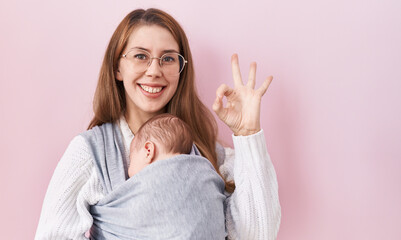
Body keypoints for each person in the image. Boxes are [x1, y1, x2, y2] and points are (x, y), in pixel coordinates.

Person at [35, 8, 281, 240]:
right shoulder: (90, 154)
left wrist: (248, 134)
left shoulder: (208, 153)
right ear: (117, 68)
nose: (154, 70)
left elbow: (257, 235)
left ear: (180, 70)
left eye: (168, 59)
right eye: (140, 56)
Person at [127, 113, 194, 177]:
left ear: (148, 151)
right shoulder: (197, 171)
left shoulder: (148, 181)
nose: (128, 169)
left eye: (131, 159)